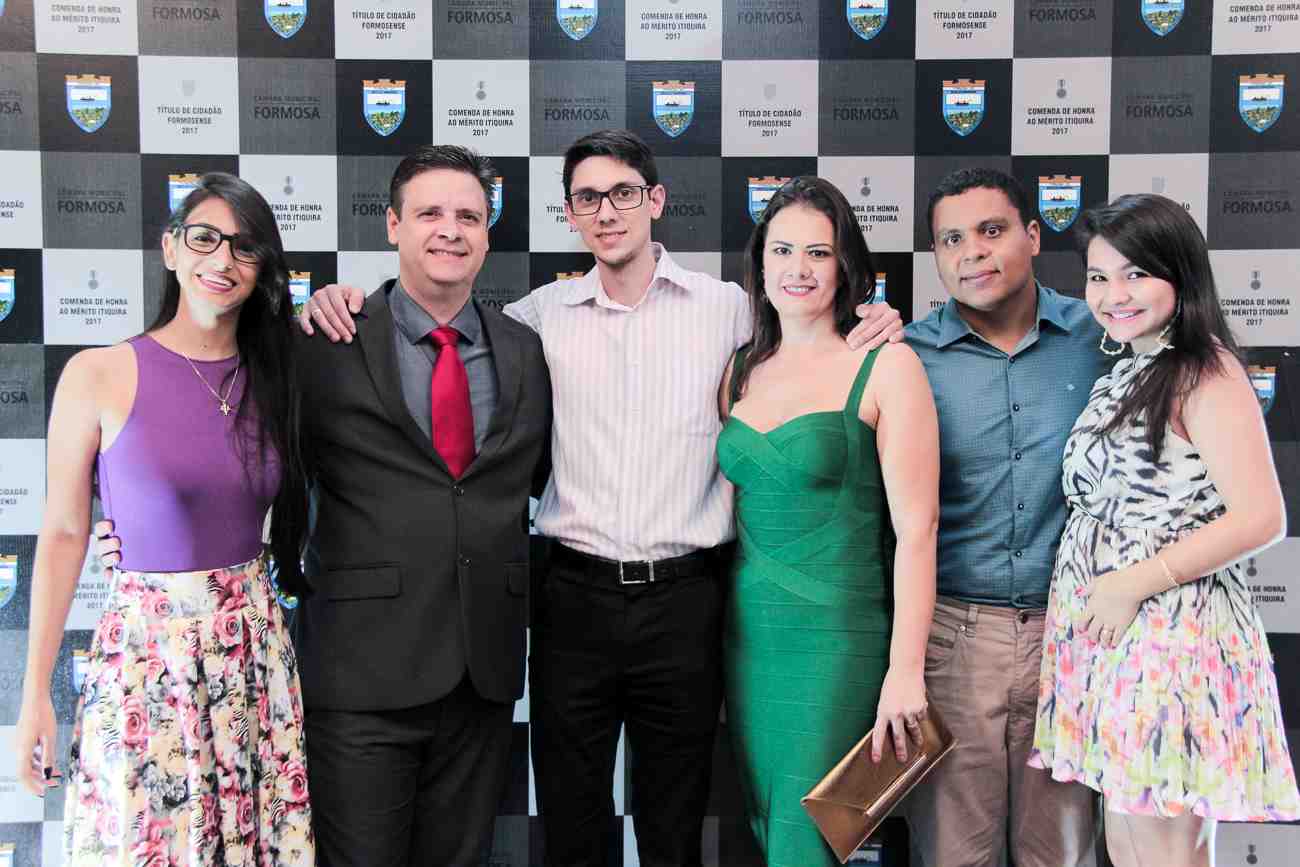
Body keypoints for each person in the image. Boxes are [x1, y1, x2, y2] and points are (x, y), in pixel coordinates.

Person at [300, 129, 905, 866]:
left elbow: (812, 335)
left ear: (656, 200)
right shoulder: (534, 320)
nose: (607, 211)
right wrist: (338, 297)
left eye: (623, 192)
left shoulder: (729, 310)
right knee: (572, 827)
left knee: (674, 827)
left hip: (687, 601)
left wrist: (873, 318)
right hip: (570, 601)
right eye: (588, 198)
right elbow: (433, 314)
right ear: (570, 214)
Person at [96, 146, 553, 866]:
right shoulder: (320, 340)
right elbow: (218, 439)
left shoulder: (525, 350)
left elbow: (547, 479)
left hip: (484, 677)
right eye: (430, 213)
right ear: (393, 225)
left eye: (469, 216)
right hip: (357, 675)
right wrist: (143, 525)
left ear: (488, 234)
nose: (450, 229)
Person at [14, 172, 314, 865]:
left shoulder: (281, 375)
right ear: (171, 248)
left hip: (253, 657)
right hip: (148, 661)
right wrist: (36, 697)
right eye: (204, 238)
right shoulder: (97, 373)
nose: (222, 259)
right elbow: (64, 534)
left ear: (262, 269)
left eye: (244, 247)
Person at [1029, 193, 1300, 866]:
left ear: (1180, 275)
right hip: (1114, 641)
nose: (1112, 295)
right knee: (1128, 841)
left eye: (1135, 274)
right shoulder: (1134, 367)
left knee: (1164, 847)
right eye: (1098, 276)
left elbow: (1262, 516)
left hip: (1172, 638)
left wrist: (1131, 583)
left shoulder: (1204, 370)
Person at [716, 176, 938, 865]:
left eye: (819, 252)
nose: (798, 268)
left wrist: (905, 670)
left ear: (845, 266)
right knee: (765, 822)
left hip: (838, 641)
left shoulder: (887, 364)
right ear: (760, 263)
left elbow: (919, 531)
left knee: (807, 835)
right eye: (782, 250)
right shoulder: (739, 369)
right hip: (748, 638)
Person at [900, 168, 1107, 867]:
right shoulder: (904, 356)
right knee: (954, 854)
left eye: (991, 230)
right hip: (953, 640)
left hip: (1073, 637)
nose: (973, 253)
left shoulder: (1103, 337)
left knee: (1060, 854)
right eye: (951, 239)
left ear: (1034, 235)